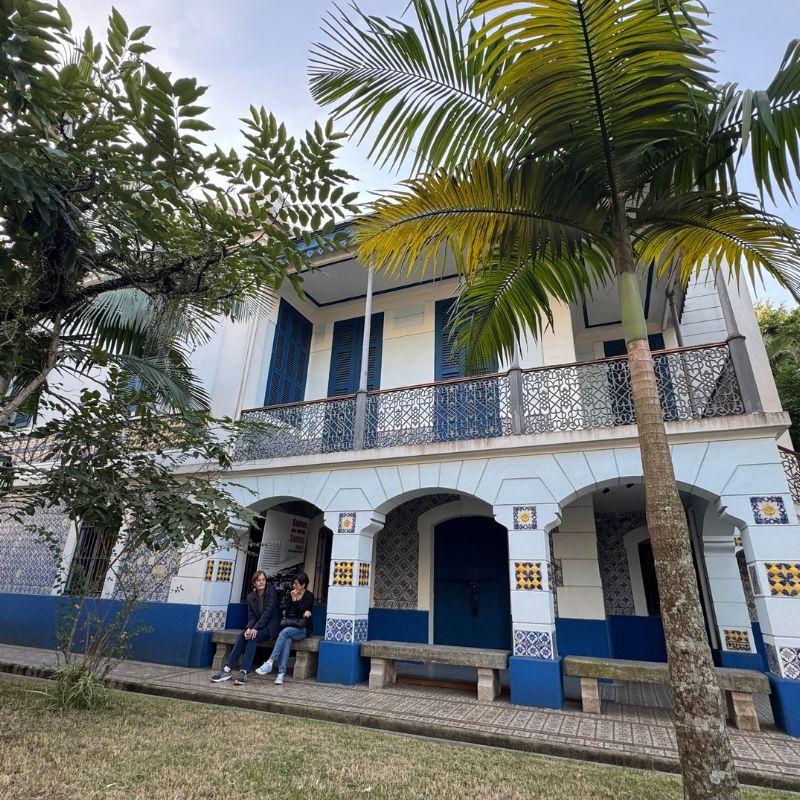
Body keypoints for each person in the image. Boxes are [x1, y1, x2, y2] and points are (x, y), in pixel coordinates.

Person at [210, 570, 280, 685]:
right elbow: (252, 616)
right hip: (258, 626)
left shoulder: (271, 591)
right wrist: (249, 628)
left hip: (270, 627)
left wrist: (255, 629)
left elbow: (269, 612)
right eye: (258, 580)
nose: (261, 582)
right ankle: (227, 669)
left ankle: (244, 671)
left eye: (263, 580)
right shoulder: (251, 597)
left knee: (252, 636)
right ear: (254, 583)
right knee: (244, 635)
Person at [255, 572, 314, 685]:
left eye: (296, 584)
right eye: (294, 584)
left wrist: (296, 601)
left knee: (284, 632)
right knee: (286, 639)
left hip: (303, 629)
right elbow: (288, 612)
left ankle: (270, 662)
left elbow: (302, 612)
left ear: (303, 585)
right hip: (290, 626)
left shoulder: (309, 596)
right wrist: (293, 600)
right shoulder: (289, 594)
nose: (294, 586)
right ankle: (281, 674)